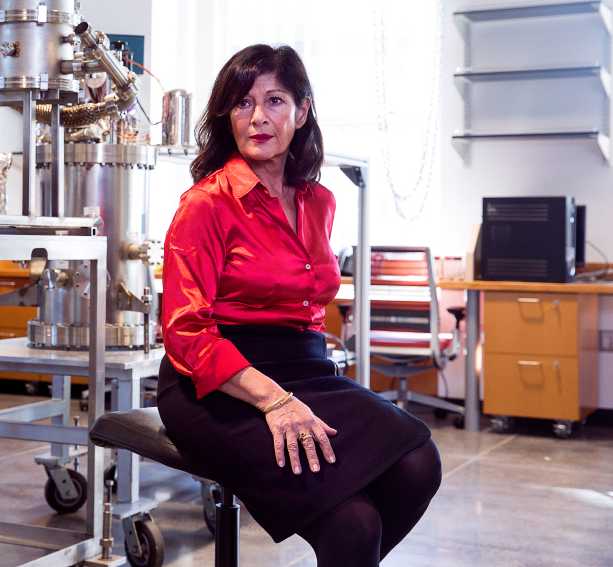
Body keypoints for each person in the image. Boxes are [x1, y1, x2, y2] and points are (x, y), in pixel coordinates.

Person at [157, 44, 442, 567]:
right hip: (216, 383)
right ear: (228, 116)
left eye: (275, 100)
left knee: (418, 461)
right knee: (354, 522)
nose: (259, 117)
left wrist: (303, 389)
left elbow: (308, 306)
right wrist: (274, 401)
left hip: (305, 369)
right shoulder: (206, 205)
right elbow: (186, 333)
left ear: (302, 110)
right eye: (243, 103)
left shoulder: (318, 201)